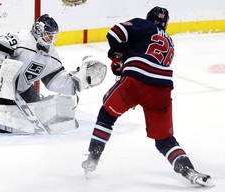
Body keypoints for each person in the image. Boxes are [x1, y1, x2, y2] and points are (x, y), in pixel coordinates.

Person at [81, 6, 213, 187]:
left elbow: (115, 34)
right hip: (162, 88)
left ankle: (93, 157)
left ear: (148, 18)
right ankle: (189, 170)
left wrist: (118, 57)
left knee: (107, 114)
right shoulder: (170, 41)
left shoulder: (143, 25)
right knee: (164, 140)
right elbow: (149, 57)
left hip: (136, 79)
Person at [0, 14, 82, 105]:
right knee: (7, 112)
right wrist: (3, 72)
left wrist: (79, 81)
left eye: (53, 36)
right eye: (48, 35)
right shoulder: (23, 39)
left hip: (20, 88)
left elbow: (55, 80)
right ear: (38, 31)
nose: (51, 40)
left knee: (37, 106)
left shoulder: (51, 54)